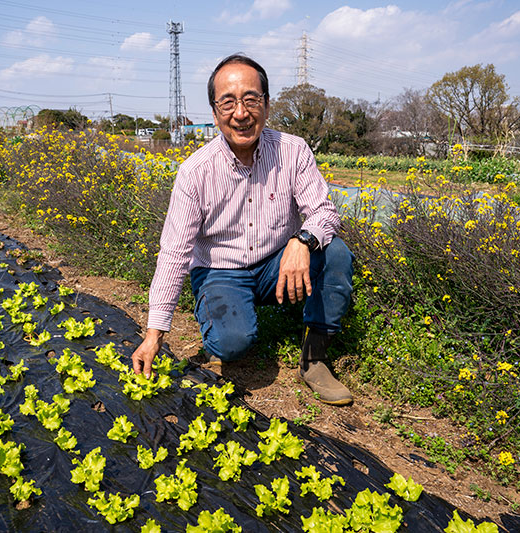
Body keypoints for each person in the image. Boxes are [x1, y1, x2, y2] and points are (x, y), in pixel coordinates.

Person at [131, 54, 355, 405]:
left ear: (267, 105)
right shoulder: (195, 172)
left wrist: (302, 241)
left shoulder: (293, 151)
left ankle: (315, 358)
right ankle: (223, 312)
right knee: (232, 345)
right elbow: (174, 253)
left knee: (335, 252)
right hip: (220, 271)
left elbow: (324, 211)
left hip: (275, 265)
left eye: (251, 99)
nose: (241, 113)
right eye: (228, 102)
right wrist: (154, 333)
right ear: (214, 110)